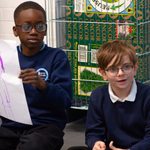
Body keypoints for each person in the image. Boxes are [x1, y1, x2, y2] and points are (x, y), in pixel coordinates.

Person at [0, 1, 72, 150]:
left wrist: (43, 86)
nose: (34, 31)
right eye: (27, 27)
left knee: (33, 145)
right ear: (15, 30)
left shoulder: (56, 57)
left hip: (45, 126)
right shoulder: (6, 57)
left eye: (40, 26)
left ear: (45, 30)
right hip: (10, 125)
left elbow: (65, 100)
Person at [85, 40, 150, 150]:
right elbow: (93, 132)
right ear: (103, 73)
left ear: (135, 68)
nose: (120, 73)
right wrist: (96, 142)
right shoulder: (98, 96)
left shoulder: (147, 96)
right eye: (113, 69)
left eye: (126, 67)